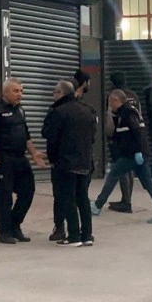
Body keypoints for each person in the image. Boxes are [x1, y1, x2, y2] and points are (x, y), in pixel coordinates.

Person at [0, 78, 46, 244]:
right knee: (5, 195)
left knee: (28, 191)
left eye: (21, 91)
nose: (20, 94)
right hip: (2, 158)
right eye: (16, 91)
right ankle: (4, 231)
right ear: (5, 92)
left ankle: (15, 224)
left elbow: (26, 135)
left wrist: (34, 153)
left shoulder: (20, 110)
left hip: (20, 157)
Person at [91, 90, 152, 224]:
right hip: (138, 154)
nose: (109, 105)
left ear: (116, 100)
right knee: (148, 182)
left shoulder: (127, 113)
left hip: (131, 154)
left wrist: (138, 151)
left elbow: (137, 132)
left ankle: (97, 205)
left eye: (110, 102)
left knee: (113, 175)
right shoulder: (127, 112)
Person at [44, 80, 97, 247]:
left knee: (68, 198)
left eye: (55, 92)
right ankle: (87, 235)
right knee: (83, 198)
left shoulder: (59, 112)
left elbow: (52, 138)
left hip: (66, 162)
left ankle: (74, 236)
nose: (54, 96)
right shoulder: (87, 110)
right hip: (84, 160)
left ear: (61, 93)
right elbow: (92, 137)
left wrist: (52, 159)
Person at [105, 72, 138, 214]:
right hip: (133, 136)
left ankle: (126, 202)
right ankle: (127, 198)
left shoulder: (113, 96)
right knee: (129, 168)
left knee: (122, 168)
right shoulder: (133, 95)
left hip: (119, 137)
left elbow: (110, 118)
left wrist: (110, 136)